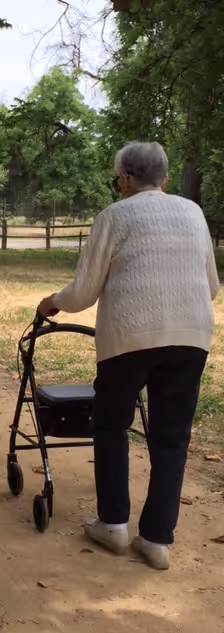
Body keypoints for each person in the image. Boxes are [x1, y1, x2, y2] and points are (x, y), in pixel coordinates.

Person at [38, 142, 219, 571]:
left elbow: (83, 292)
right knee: (172, 437)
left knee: (112, 423)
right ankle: (157, 539)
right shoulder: (193, 213)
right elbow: (211, 284)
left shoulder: (113, 216)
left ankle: (113, 523)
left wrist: (53, 302)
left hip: (130, 338)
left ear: (123, 180)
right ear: (166, 178)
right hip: (191, 335)